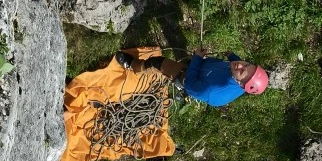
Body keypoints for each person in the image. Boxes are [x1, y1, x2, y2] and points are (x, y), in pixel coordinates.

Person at [115, 47, 269, 106]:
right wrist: (232, 56)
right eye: (247, 63)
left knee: (157, 62)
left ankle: (134, 66)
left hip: (188, 77)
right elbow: (240, 67)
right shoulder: (242, 77)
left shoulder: (211, 91)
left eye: (242, 70)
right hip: (206, 70)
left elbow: (190, 81)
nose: (240, 65)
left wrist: (197, 59)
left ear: (241, 84)